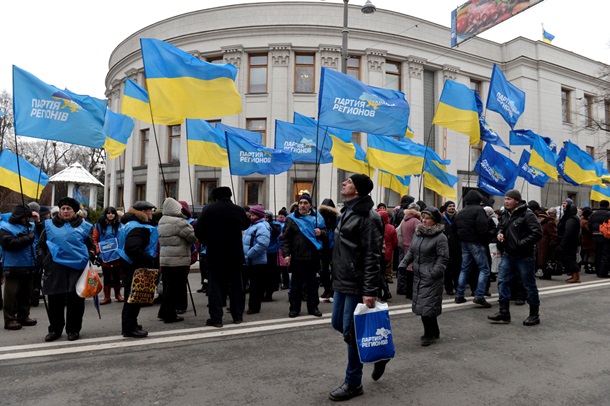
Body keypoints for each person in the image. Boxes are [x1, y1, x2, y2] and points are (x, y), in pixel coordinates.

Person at [329, 174, 384, 402]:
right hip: (342, 280)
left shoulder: (368, 217)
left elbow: (373, 255)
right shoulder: (347, 211)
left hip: (358, 283)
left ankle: (353, 383)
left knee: (351, 333)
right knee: (337, 324)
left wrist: (370, 290)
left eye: (349, 182)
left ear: (359, 190)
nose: (344, 183)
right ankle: (377, 351)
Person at [36, 197, 95, 342]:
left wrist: (90, 255)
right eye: (63, 208)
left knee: (76, 301)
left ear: (75, 211)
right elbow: (40, 246)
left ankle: (73, 330)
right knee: (55, 301)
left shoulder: (85, 226)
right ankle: (55, 330)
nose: (65, 211)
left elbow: (91, 246)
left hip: (77, 269)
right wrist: (44, 261)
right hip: (55, 269)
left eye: (69, 209)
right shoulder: (49, 225)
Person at [194, 187, 250, 327]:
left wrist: (208, 241)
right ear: (230, 195)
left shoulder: (209, 209)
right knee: (237, 286)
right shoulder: (238, 209)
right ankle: (237, 316)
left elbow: (198, 229)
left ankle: (216, 319)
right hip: (235, 253)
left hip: (216, 253)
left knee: (216, 287)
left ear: (215, 197)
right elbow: (246, 224)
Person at [488, 189, 542, 326]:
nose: (506, 201)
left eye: (509, 199)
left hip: (525, 256)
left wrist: (520, 244)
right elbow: (501, 227)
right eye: (505, 199)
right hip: (508, 254)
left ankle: (534, 314)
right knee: (502, 281)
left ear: (516, 201)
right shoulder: (506, 214)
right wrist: (500, 233)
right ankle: (504, 312)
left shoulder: (527, 214)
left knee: (528, 284)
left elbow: (537, 233)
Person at [398, 207, 449, 346]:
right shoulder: (418, 234)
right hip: (418, 275)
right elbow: (411, 252)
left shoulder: (440, 237)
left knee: (427, 306)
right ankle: (435, 330)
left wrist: (434, 273)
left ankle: (429, 334)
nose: (424, 220)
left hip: (431, 276)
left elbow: (443, 258)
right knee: (424, 305)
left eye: (428, 218)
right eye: (423, 217)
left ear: (435, 221)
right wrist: (403, 264)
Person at [116, 200, 158, 338]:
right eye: (150, 210)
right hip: (134, 265)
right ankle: (129, 328)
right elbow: (133, 248)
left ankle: (131, 324)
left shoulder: (131, 224)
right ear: (143, 212)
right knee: (133, 298)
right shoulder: (138, 228)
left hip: (129, 264)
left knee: (133, 296)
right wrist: (148, 260)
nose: (151, 213)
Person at [281, 193, 326, 318]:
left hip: (313, 257)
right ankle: (294, 309)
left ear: (310, 205)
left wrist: (321, 232)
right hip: (297, 257)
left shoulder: (318, 218)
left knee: (313, 285)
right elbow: (285, 239)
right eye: (301, 203)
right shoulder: (291, 219)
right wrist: (286, 255)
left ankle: (313, 308)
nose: (302, 205)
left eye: (306, 203)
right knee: (296, 285)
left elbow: (327, 234)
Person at [157, 198, 197, 323]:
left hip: (166, 259)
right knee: (175, 288)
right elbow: (193, 237)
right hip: (179, 259)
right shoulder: (179, 222)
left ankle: (163, 312)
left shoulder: (162, 220)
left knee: (169, 286)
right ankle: (170, 314)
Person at [0, 204, 38, 330]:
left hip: (29, 263)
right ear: (19, 216)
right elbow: (8, 244)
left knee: (26, 294)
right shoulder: (6, 227)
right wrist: (27, 239)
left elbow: (38, 239)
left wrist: (38, 222)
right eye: (25, 217)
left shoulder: (31, 226)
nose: (28, 219)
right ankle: (10, 319)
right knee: (11, 295)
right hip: (13, 265)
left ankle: (23, 315)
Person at [454, 190, 492, 308]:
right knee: (484, 269)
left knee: (465, 269)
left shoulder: (461, 212)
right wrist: (485, 241)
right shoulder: (478, 210)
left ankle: (459, 295)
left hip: (464, 242)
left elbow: (454, 228)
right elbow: (482, 227)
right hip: (476, 242)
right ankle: (479, 295)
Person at [242, 205, 271, 314]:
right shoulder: (251, 225)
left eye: (253, 214)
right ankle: (242, 305)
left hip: (256, 261)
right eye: (251, 214)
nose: (251, 216)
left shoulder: (262, 226)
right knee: (248, 285)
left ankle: (254, 307)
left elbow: (263, 244)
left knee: (255, 286)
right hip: (248, 261)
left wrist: (249, 255)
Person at [92, 206, 124, 305]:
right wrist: (98, 249)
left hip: (116, 254)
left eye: (112, 213)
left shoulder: (120, 226)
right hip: (104, 255)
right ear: (105, 214)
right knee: (106, 276)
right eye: (108, 213)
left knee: (116, 276)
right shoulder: (99, 226)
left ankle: (118, 294)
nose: (110, 215)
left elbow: (122, 239)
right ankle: (107, 297)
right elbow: (95, 239)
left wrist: (120, 251)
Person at [398, 202, 421, 298]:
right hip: (414, 246)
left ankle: (407, 292)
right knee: (413, 270)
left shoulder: (404, 220)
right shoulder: (416, 221)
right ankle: (412, 293)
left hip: (406, 245)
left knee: (408, 269)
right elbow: (420, 234)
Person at [556, 200, 581, 283]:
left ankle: (575, 276)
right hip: (572, 242)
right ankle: (576, 276)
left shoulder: (571, 220)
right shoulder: (574, 218)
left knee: (570, 259)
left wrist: (563, 243)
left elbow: (568, 232)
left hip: (569, 243)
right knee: (571, 258)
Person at [319, 198, 339, 299]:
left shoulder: (337, 220)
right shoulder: (320, 219)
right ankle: (327, 289)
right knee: (323, 271)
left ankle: (332, 290)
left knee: (334, 271)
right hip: (323, 248)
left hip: (334, 248)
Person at [376, 208, 397, 301]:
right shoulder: (391, 227)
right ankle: (380, 292)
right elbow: (395, 242)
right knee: (382, 272)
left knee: (379, 273)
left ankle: (385, 291)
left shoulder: (376, 227)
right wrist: (391, 248)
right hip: (388, 252)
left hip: (378, 253)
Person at [440, 201, 461, 295]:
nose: (452, 208)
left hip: (457, 246)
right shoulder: (442, 219)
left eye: (453, 206)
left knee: (457, 268)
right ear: (446, 208)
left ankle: (457, 286)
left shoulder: (458, 218)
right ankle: (448, 288)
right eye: (449, 206)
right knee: (447, 269)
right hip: (446, 247)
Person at [263, 210, 282, 301]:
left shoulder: (274, 226)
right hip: (262, 252)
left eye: (266, 217)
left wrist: (270, 224)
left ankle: (269, 293)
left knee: (271, 274)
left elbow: (277, 233)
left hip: (271, 253)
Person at [590, 200, 610, 278]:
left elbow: (589, 225)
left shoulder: (593, 214)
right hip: (606, 237)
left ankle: (598, 271)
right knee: (606, 255)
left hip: (595, 236)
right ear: (607, 206)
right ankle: (603, 272)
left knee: (598, 254)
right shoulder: (608, 214)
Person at [537, 209, 558, 280]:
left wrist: (552, 242)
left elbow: (553, 234)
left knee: (546, 260)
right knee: (541, 260)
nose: (539, 219)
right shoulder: (540, 224)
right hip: (541, 244)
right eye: (538, 218)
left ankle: (547, 274)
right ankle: (544, 273)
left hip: (546, 245)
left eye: (541, 218)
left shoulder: (549, 223)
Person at [580, 208, 595, 274]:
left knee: (587, 253)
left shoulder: (582, 221)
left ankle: (586, 265)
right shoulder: (585, 222)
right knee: (592, 253)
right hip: (588, 239)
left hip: (584, 239)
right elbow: (589, 230)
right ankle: (589, 266)